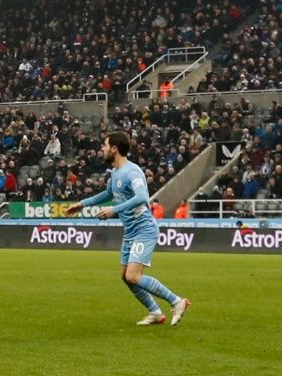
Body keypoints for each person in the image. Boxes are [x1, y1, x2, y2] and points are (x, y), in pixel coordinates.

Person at [68, 131, 190, 327]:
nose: (102, 149)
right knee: (126, 277)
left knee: (133, 276)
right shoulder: (115, 172)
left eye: (105, 146)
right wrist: (82, 204)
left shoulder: (132, 172)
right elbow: (108, 193)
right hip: (131, 231)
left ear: (114, 149)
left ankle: (177, 301)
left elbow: (142, 197)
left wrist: (113, 210)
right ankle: (156, 313)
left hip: (144, 229)